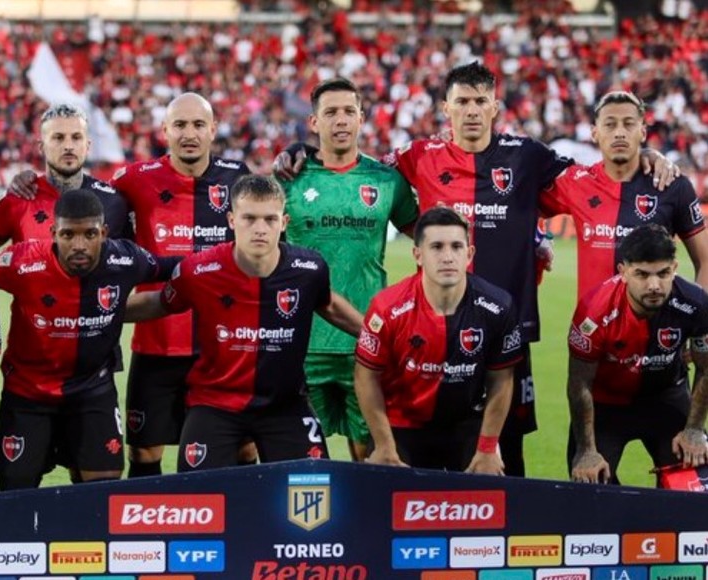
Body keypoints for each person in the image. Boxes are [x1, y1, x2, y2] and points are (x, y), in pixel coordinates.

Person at [275, 61, 677, 477]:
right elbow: (355, 166)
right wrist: (303, 150)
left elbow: (597, 177)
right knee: (426, 445)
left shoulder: (527, 155)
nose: (471, 110)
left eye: (480, 101)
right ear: (446, 109)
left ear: (494, 107)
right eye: (462, 101)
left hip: (507, 329)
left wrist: (642, 155)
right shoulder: (418, 156)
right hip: (432, 329)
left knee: (509, 454)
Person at [125, 175, 363, 471]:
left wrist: (377, 337)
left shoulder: (309, 269)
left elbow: (328, 305)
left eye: (270, 219)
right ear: (231, 220)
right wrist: (96, 314)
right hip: (214, 403)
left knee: (313, 486)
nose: (260, 229)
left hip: (285, 405)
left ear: (284, 222)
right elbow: (160, 302)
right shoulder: (199, 270)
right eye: (249, 218)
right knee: (197, 492)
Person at [0, 189, 175, 490]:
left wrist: (226, 264)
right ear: (53, 233)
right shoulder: (21, 261)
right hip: (28, 393)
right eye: (68, 234)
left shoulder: (125, 258)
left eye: (90, 234)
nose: (79, 245)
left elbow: (174, 267)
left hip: (92, 391)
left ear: (104, 233)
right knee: (16, 493)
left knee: (102, 491)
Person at [111, 93, 255, 477]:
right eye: (180, 125)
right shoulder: (133, 180)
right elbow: (87, 209)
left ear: (213, 130)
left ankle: (238, 516)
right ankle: (151, 519)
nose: (189, 134)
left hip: (223, 346)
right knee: (144, 452)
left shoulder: (238, 177)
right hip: (157, 343)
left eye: (198, 125)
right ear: (165, 131)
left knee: (241, 445)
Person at [277, 78, 417, 462]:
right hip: (301, 344)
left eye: (348, 112)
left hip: (367, 341)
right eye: (330, 112)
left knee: (371, 460)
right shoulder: (288, 179)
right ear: (314, 122)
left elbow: (427, 237)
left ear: (361, 118)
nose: (340, 120)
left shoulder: (386, 180)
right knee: (301, 466)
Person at [354, 207, 521, 473]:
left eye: (456, 246)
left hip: (465, 423)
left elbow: (501, 379)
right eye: (436, 247)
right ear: (418, 255)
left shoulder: (498, 307)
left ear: (469, 254)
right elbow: (366, 377)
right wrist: (384, 445)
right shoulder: (387, 308)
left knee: (489, 485)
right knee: (388, 490)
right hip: (402, 423)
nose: (447, 257)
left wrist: (488, 448)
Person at [567, 224, 708, 485]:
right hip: (607, 405)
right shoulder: (593, 313)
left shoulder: (695, 303)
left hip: (667, 398)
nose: (654, 285)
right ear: (623, 272)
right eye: (641, 274)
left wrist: (694, 429)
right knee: (591, 488)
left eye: (663, 273)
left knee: (695, 486)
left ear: (675, 268)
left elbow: (706, 367)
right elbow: (579, 383)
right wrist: (586, 450)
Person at [540, 91, 708, 299]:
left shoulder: (672, 185)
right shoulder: (576, 182)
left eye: (628, 124)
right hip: (592, 320)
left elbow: (705, 261)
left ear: (643, 132)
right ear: (594, 133)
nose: (619, 133)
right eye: (610, 124)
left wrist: (701, 315)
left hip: (655, 320)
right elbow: (520, 204)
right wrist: (537, 239)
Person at [0, 104, 131, 244]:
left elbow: (130, 257)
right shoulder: (18, 197)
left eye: (76, 137)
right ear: (41, 147)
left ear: (87, 146)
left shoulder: (113, 202)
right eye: (58, 137)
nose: (68, 146)